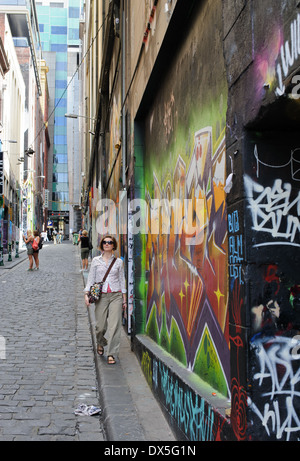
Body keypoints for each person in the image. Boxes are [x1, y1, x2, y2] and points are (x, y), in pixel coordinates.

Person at [84, 235, 127, 365]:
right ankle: (101, 342)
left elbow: (121, 280)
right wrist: (86, 294)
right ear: (102, 245)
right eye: (104, 242)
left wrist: (124, 299)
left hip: (116, 296)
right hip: (101, 296)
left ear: (113, 245)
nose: (107, 244)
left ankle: (112, 353)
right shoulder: (96, 261)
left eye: (109, 242)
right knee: (100, 326)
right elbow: (91, 278)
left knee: (115, 326)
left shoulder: (119, 262)